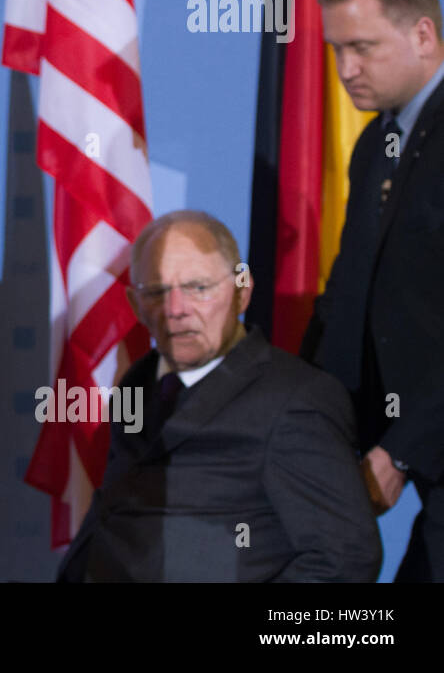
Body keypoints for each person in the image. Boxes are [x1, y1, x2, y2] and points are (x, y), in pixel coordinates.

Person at [58, 210, 381, 581]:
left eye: (198, 287)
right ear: (135, 306)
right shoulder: (137, 382)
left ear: (242, 293)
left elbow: (345, 557)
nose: (176, 310)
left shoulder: (296, 399)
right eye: (157, 292)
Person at [301, 0, 444, 581]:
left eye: (362, 47)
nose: (345, 70)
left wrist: (403, 451)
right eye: (335, 50)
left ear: (423, 34)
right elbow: (349, 295)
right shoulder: (374, 144)